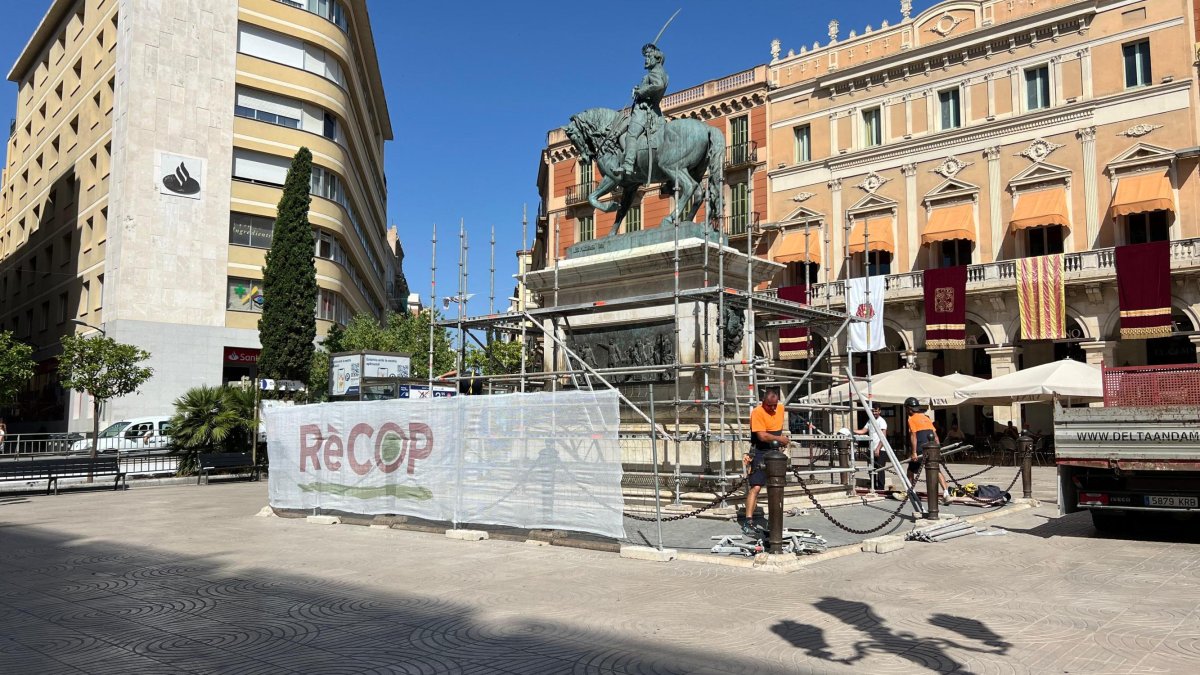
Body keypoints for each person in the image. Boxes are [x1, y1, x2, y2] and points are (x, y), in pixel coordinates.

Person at [616, 43, 668, 180]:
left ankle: (628, 165)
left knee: (631, 135)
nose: (646, 59)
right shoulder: (660, 72)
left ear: (656, 58)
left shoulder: (655, 73)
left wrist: (640, 91)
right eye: (645, 56)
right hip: (651, 110)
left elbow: (658, 85)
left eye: (648, 56)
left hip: (645, 111)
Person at [742, 388, 789, 537]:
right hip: (760, 452)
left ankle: (774, 520)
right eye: (770, 405)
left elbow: (779, 428)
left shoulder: (780, 408)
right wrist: (780, 439)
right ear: (763, 402)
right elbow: (762, 436)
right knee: (756, 486)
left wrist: (781, 440)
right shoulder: (757, 412)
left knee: (776, 485)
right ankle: (748, 521)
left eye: (775, 405)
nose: (774, 408)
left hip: (776, 451)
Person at [905, 397, 949, 504]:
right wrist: (938, 449)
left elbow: (914, 436)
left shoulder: (911, 419)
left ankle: (911, 491)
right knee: (937, 470)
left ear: (909, 409)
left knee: (910, 471)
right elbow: (935, 436)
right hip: (932, 447)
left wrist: (914, 452)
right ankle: (946, 493)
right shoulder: (926, 418)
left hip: (921, 448)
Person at [854, 404, 887, 491]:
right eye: (873, 411)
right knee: (871, 469)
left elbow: (883, 437)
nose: (874, 413)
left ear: (879, 411)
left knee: (880, 469)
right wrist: (852, 431)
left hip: (880, 449)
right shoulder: (870, 421)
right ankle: (873, 486)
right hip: (870, 449)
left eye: (876, 411)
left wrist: (878, 449)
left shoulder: (881, 421)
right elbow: (863, 431)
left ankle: (880, 488)